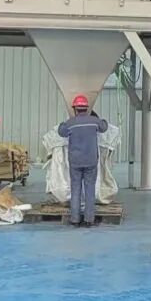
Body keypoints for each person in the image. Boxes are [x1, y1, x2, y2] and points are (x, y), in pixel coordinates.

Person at [58, 94, 108, 227]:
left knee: (75, 190)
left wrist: (64, 122)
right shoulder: (94, 121)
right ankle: (89, 220)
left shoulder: (71, 123)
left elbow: (61, 132)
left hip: (75, 162)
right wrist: (96, 116)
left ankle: (75, 220)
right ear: (87, 108)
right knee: (90, 189)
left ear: (75, 109)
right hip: (91, 161)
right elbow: (104, 126)